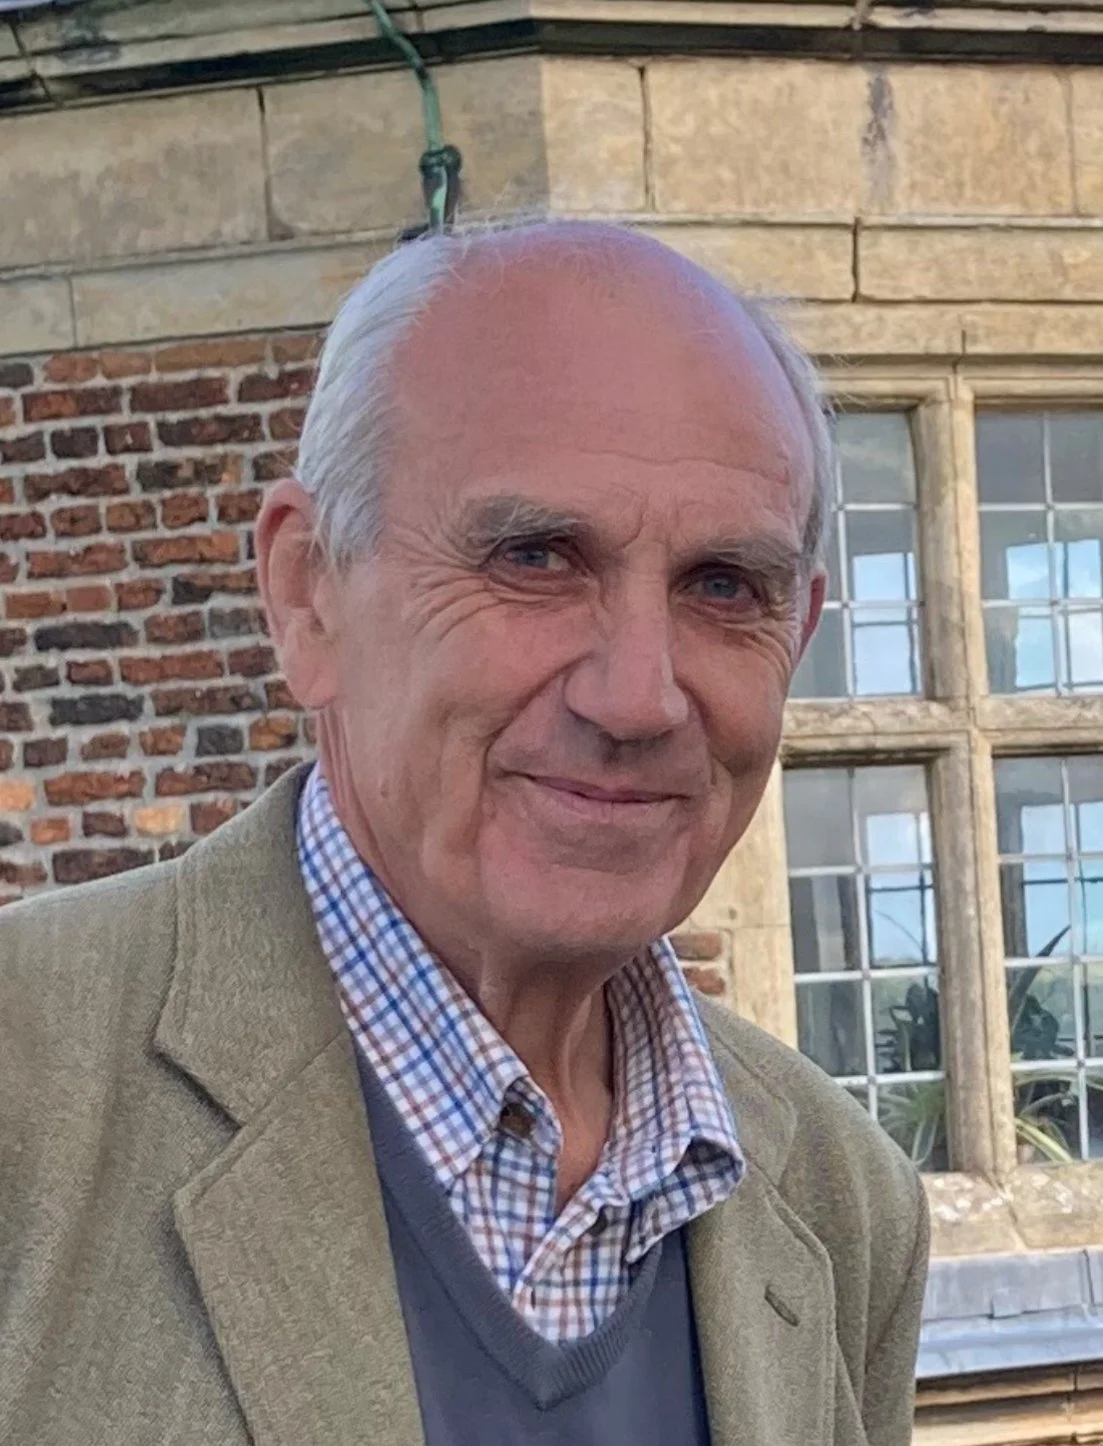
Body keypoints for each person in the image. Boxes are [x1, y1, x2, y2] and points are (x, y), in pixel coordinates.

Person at [0, 220, 928, 1446]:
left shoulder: (839, 1200)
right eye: (534, 557)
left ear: (795, 634)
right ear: (307, 593)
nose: (637, 697)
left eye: (721, 586)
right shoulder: (31, 1092)